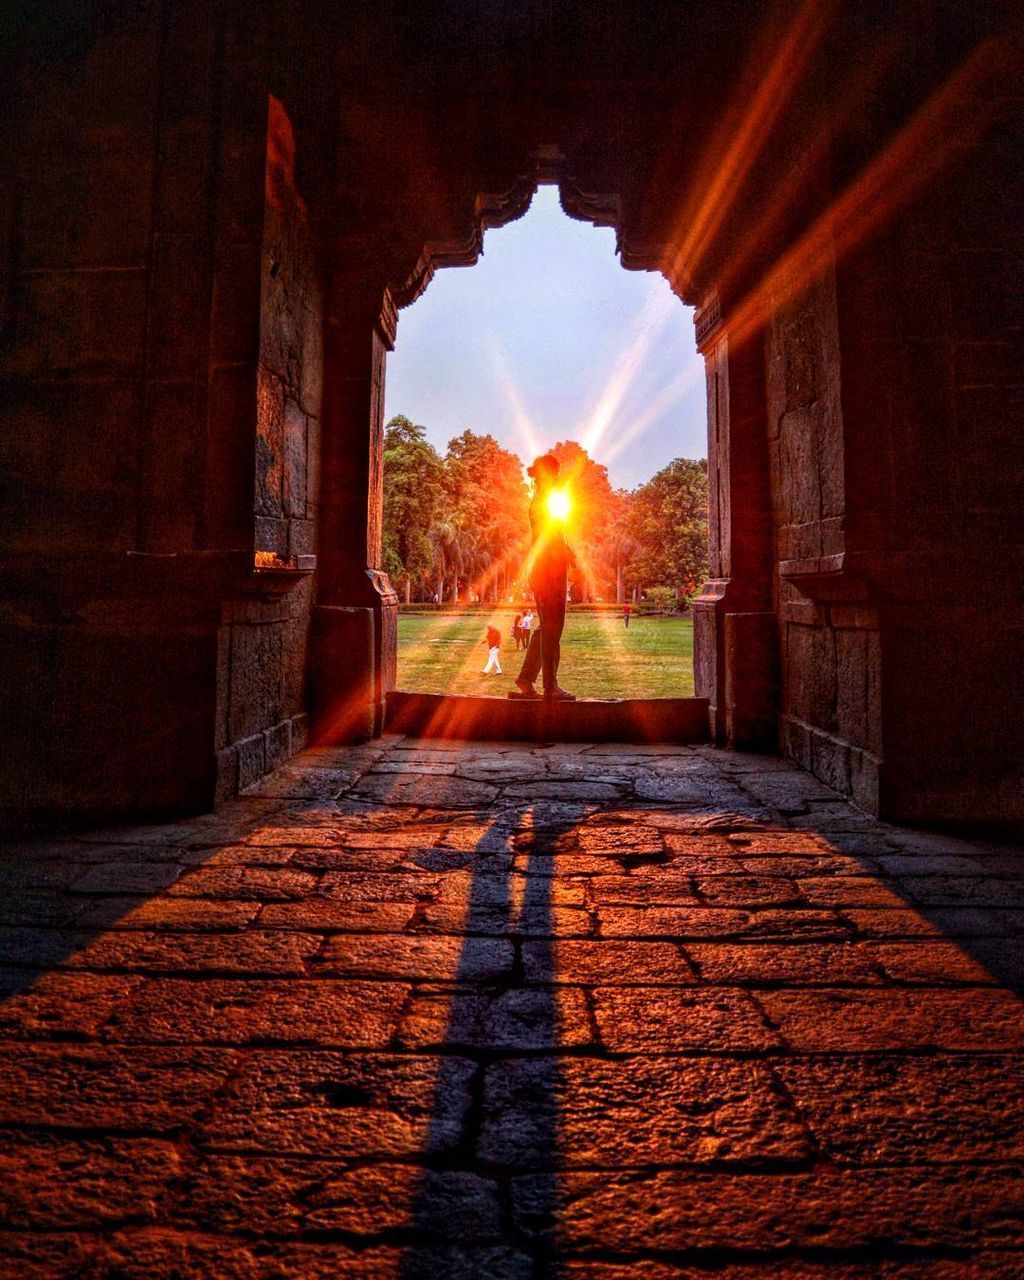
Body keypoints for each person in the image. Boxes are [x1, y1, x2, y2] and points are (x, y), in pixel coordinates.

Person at [513, 454, 575, 700]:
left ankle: (526, 678)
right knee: (552, 629)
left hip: (548, 569)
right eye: (554, 473)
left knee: (546, 627)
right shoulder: (542, 503)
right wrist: (573, 559)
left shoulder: (545, 501)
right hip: (547, 570)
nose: (557, 478)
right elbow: (551, 539)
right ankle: (550, 686)